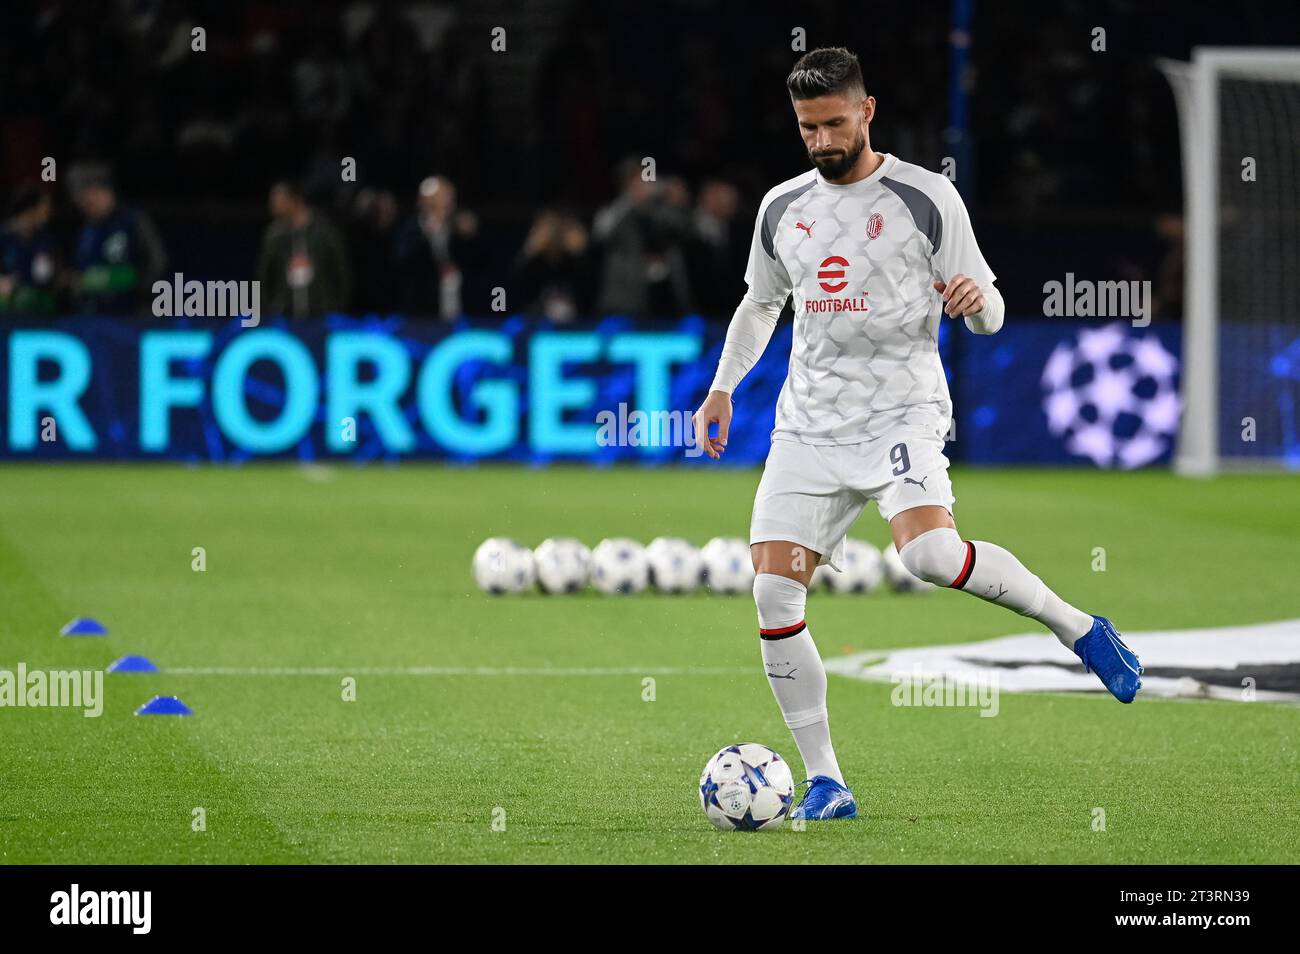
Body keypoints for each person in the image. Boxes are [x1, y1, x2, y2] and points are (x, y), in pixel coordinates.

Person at [691, 48, 1143, 822]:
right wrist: (723, 387)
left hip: (901, 411)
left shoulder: (926, 196)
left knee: (931, 556)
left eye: (835, 122)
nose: (823, 139)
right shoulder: (781, 208)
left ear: (867, 112)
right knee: (772, 591)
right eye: (809, 127)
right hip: (806, 425)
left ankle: (1077, 626)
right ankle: (829, 781)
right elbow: (759, 305)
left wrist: (974, 300)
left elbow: (992, 306)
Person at [70, 169, 165, 314]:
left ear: (106, 194)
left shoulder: (133, 221)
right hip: (95, 313)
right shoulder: (87, 229)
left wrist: (141, 291)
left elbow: (156, 260)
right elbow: (83, 271)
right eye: (85, 203)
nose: (86, 206)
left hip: (132, 313)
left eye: (91, 200)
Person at [257, 180, 351, 317]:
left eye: (277, 198)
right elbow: (264, 277)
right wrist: (271, 310)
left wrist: (335, 309)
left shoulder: (325, 231)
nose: (272, 204)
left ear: (294, 199)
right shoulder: (274, 235)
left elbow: (341, 274)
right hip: (285, 317)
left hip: (321, 315)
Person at [0, 187, 60, 315]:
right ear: (29, 211)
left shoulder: (46, 240)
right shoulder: (3, 237)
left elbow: (47, 279)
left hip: (39, 309)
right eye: (45, 207)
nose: (49, 212)